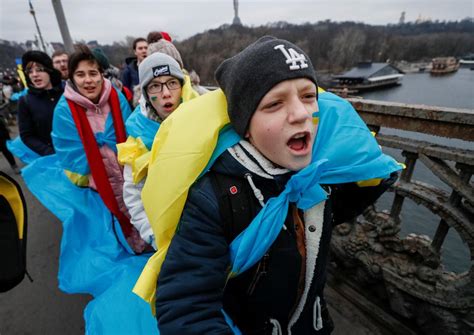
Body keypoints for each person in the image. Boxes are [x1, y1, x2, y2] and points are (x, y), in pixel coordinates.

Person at [152, 36, 400, 334]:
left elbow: (340, 211)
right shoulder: (215, 197)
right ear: (245, 127)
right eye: (274, 103)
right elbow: (185, 306)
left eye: (308, 96)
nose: (301, 114)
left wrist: (370, 170)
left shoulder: (321, 175)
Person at [51, 44, 146, 254]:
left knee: (139, 217)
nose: (88, 80)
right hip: (96, 189)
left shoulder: (117, 98)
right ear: (72, 78)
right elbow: (68, 154)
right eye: (81, 74)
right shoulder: (64, 111)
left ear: (101, 74)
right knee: (113, 237)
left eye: (93, 73)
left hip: (128, 178)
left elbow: (133, 134)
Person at [118, 52, 189, 250]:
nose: (166, 93)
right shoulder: (137, 141)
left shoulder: (202, 119)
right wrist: (153, 236)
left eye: (172, 83)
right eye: (155, 85)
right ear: (147, 94)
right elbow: (133, 193)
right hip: (170, 234)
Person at [17, 51, 63, 156]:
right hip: (53, 159)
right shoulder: (25, 101)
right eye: (29, 71)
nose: (34, 75)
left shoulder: (67, 93)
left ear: (49, 71)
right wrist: (48, 152)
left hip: (79, 152)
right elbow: (27, 136)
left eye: (39, 70)